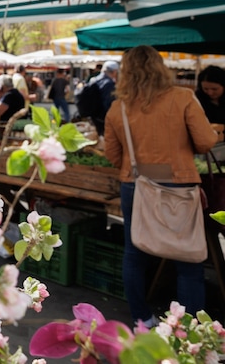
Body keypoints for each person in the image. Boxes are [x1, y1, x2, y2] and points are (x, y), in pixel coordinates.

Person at [105, 46, 217, 327]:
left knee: (134, 252)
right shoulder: (183, 98)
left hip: (135, 182)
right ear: (160, 67)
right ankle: (188, 330)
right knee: (187, 258)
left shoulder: (118, 108)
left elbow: (113, 156)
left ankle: (142, 319)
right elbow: (205, 142)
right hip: (179, 182)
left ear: (125, 72)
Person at [86, 60, 119, 136]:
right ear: (114, 72)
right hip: (103, 117)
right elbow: (108, 103)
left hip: (94, 115)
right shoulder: (109, 83)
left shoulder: (93, 80)